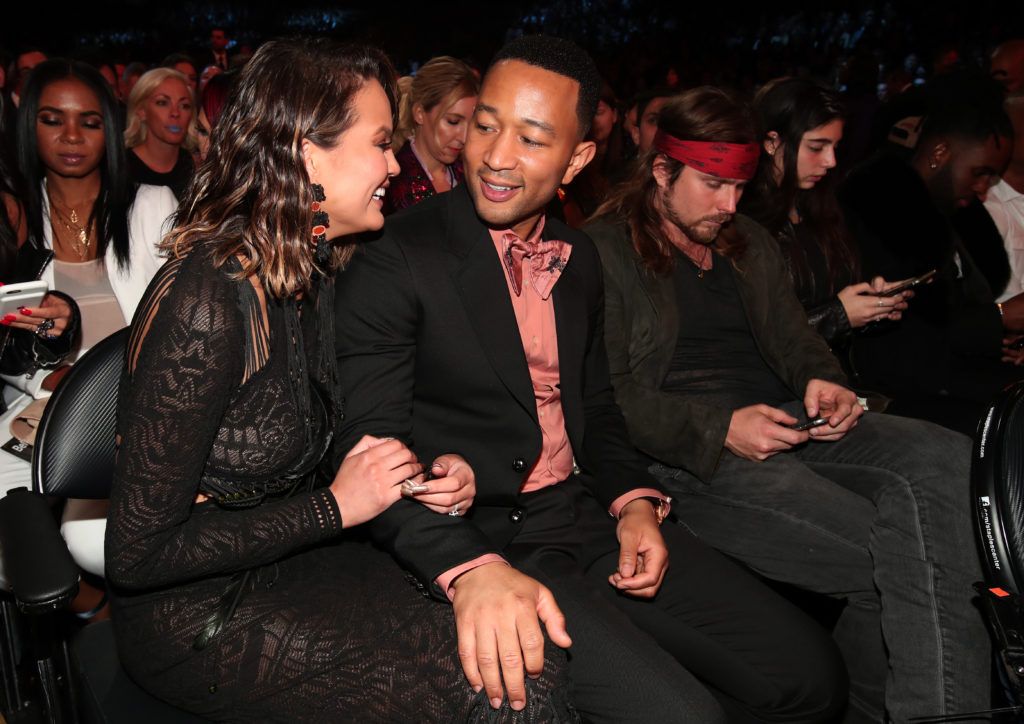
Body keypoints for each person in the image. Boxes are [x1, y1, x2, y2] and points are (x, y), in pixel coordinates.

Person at [336, 35, 845, 723]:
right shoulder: (398, 257)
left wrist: (635, 502)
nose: (497, 155)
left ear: (577, 158)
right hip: (492, 539)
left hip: (585, 516)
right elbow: (367, 455)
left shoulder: (576, 254)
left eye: (532, 138)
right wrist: (467, 568)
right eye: (486, 124)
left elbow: (597, 407)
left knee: (809, 672)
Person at [105, 37, 573, 722]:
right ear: (303, 149)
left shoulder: (317, 267)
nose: (394, 163)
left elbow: (312, 447)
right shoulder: (204, 303)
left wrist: (417, 474)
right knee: (515, 698)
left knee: (527, 661)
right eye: (381, 143)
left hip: (302, 556)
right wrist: (338, 506)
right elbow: (136, 555)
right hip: (197, 616)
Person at [584, 86, 990, 723]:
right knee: (909, 553)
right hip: (694, 455)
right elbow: (605, 395)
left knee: (948, 456)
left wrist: (823, 381)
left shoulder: (746, 240)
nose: (730, 204)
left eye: (740, 186)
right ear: (662, 170)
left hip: (788, 420)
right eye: (713, 185)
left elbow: (796, 341)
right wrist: (720, 427)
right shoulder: (603, 250)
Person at [839, 71, 1017, 435]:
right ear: (940, 153)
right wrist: (1000, 319)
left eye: (991, 179)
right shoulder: (881, 207)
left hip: (950, 375)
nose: (983, 190)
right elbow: (904, 345)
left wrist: (1004, 337)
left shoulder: (946, 210)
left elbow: (961, 307)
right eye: (980, 174)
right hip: (901, 391)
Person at [740, 78, 910, 354]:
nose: (830, 161)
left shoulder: (820, 207)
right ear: (772, 143)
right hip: (777, 390)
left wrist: (871, 306)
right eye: (816, 147)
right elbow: (751, 339)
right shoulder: (741, 218)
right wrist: (839, 315)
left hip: (831, 378)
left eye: (835, 147)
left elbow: (833, 301)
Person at [385, 56, 478, 214]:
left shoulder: (470, 175)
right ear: (419, 113)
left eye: (473, 124)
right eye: (453, 121)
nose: (464, 138)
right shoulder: (392, 183)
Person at [124, 67, 196, 199]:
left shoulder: (195, 168)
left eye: (184, 105)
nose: (175, 113)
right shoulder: (120, 169)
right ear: (141, 111)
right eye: (163, 103)